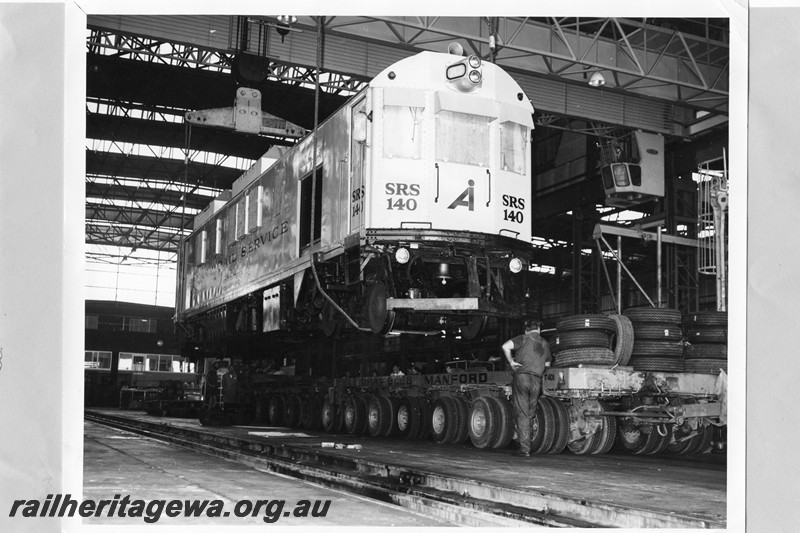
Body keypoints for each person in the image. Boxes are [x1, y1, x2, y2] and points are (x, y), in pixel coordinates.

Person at [502, 318, 552, 457]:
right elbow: (547, 365)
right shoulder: (545, 343)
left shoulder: (522, 338)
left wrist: (512, 362)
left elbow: (505, 346)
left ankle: (525, 449)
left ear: (526, 330)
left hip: (522, 378)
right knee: (530, 412)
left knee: (523, 412)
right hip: (537, 380)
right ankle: (526, 444)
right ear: (539, 330)